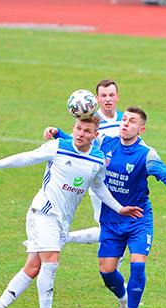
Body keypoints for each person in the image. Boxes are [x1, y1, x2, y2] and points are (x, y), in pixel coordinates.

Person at [0, 115, 143, 308]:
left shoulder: (97, 160)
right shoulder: (58, 147)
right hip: (43, 211)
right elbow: (27, 158)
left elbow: (99, 188)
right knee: (51, 262)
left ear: (95, 136)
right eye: (77, 128)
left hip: (61, 221)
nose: (80, 134)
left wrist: (120, 209)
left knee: (32, 267)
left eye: (86, 131)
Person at [45, 106, 166, 308]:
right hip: (111, 219)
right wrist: (58, 133)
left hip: (138, 219)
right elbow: (81, 144)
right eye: (125, 119)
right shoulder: (106, 144)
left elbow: (165, 174)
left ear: (141, 129)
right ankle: (123, 300)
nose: (126, 123)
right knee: (107, 272)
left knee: (137, 266)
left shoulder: (147, 154)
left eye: (132, 121)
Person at [66, 79, 124, 245]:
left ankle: (64, 238)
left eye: (111, 95)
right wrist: (56, 134)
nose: (108, 99)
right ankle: (64, 238)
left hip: (122, 184)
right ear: (97, 99)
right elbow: (73, 142)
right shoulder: (91, 122)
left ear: (117, 97)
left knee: (115, 231)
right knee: (109, 230)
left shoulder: (124, 120)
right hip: (101, 182)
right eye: (103, 95)